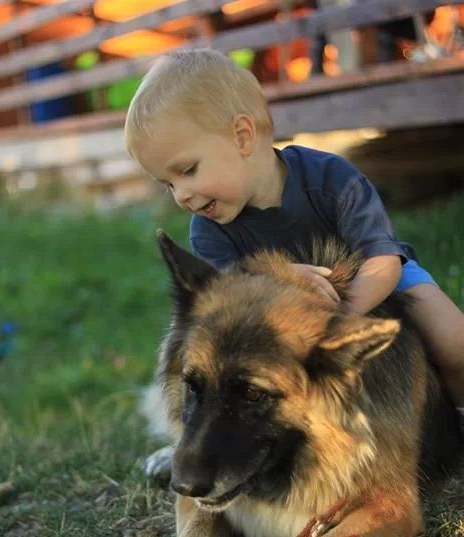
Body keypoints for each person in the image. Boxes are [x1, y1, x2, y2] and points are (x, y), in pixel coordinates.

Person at [125, 48, 464, 432]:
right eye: (168, 183)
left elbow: (383, 261)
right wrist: (278, 280)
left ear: (241, 136)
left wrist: (339, 320)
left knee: (453, 339)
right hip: (285, 326)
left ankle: (457, 417)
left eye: (188, 170)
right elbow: (228, 298)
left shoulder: (331, 178)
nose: (182, 195)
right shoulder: (208, 230)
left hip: (377, 284)